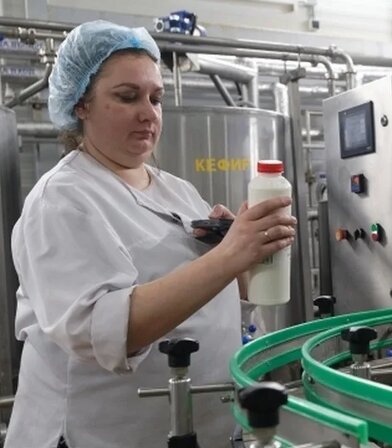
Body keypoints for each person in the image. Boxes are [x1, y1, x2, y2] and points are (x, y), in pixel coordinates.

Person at [6, 20, 296, 447]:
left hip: (192, 428)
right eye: (128, 97)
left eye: (156, 98)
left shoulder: (177, 190)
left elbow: (209, 296)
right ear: (81, 104)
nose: (149, 113)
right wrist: (227, 256)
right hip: (97, 435)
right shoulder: (61, 199)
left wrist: (248, 256)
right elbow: (103, 333)